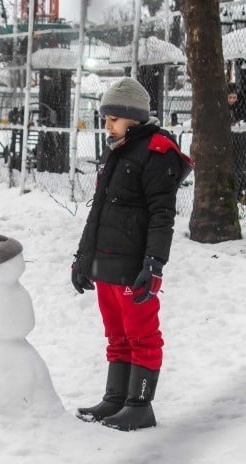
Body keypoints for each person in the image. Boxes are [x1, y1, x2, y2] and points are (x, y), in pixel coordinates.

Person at [71, 77, 193, 432]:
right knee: (117, 334)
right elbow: (98, 212)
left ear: (133, 117)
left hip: (134, 265)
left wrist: (154, 264)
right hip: (107, 262)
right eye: (105, 117)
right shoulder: (118, 149)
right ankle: (116, 398)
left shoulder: (156, 152)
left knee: (142, 334)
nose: (106, 124)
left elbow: (161, 215)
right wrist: (82, 259)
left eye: (113, 117)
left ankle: (140, 404)